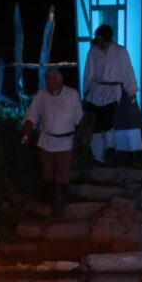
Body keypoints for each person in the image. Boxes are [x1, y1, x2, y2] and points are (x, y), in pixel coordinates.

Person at [21, 67, 85, 215]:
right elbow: (31, 115)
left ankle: (60, 202)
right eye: (46, 79)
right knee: (48, 173)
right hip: (46, 141)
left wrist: (83, 139)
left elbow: (79, 119)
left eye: (50, 79)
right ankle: (51, 199)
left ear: (58, 80)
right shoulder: (41, 95)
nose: (47, 82)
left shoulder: (72, 94)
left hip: (65, 142)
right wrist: (25, 135)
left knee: (62, 173)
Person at [82, 24, 140, 163]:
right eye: (98, 39)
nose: (99, 42)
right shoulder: (93, 52)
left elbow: (127, 72)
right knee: (94, 123)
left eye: (101, 39)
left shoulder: (120, 52)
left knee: (107, 120)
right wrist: (86, 91)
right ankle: (97, 155)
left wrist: (131, 90)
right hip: (96, 91)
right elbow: (88, 73)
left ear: (107, 38)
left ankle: (110, 149)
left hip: (113, 92)